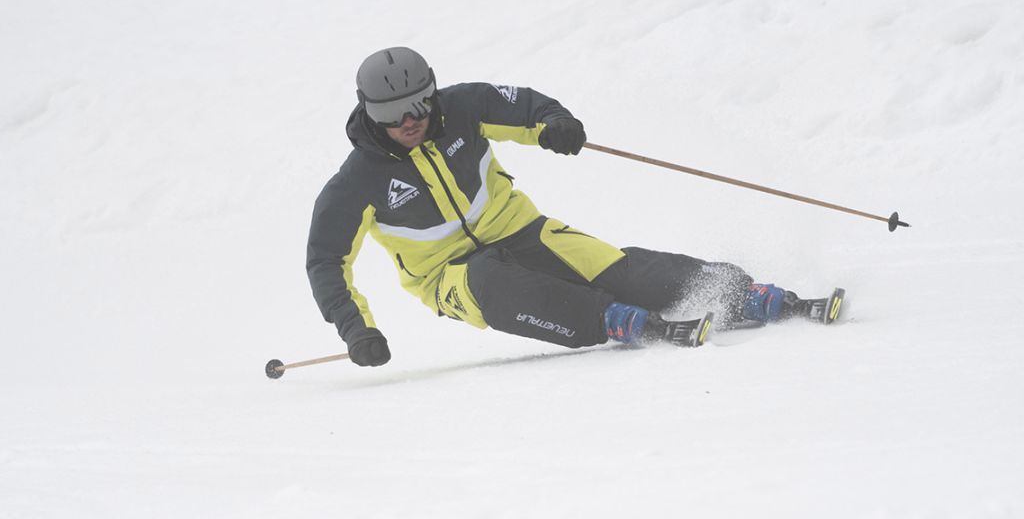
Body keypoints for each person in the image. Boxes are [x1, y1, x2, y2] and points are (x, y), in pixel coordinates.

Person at [306, 47, 838, 367]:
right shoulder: (355, 184)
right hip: (449, 276)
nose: (411, 119)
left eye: (420, 103)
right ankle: (619, 322)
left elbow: (525, 105)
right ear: (371, 113)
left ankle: (751, 295)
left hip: (522, 231)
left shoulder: (461, 109)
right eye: (395, 113)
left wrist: (556, 124)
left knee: (615, 266)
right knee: (495, 283)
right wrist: (358, 330)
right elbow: (325, 262)